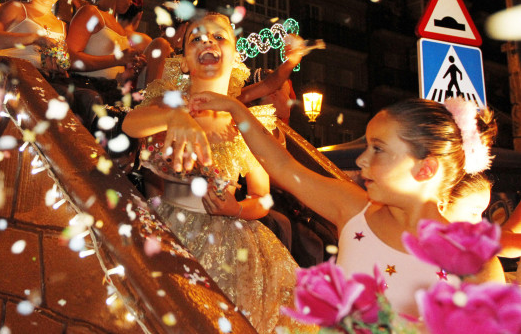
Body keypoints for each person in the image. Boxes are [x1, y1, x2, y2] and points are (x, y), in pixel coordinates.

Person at [189, 93, 506, 317]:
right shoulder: (354, 210)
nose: (361, 159)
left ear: (425, 169)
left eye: (378, 149)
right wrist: (236, 109)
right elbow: (285, 169)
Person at [122, 12, 312, 334]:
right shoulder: (165, 104)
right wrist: (176, 118)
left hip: (229, 244)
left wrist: (235, 208)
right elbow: (130, 124)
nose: (207, 41)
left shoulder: (243, 125)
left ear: (235, 54)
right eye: (196, 38)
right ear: (183, 61)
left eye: (218, 36)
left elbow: (263, 199)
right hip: (165, 229)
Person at [66, 0, 145, 103]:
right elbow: (70, 58)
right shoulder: (90, 13)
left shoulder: (117, 26)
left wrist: (130, 72)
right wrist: (117, 59)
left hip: (112, 92)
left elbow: (110, 72)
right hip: (90, 92)